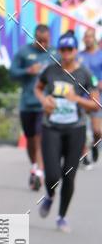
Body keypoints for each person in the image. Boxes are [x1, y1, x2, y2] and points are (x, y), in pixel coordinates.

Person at [34, 30, 98, 232]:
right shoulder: (50, 70)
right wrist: (44, 100)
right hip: (51, 127)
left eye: (70, 48)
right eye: (63, 49)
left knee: (69, 176)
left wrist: (77, 99)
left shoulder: (85, 74)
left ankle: (62, 217)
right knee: (52, 175)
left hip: (75, 130)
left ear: (75, 50)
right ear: (59, 50)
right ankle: (50, 196)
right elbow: (38, 88)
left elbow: (95, 104)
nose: (67, 52)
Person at [9, 24, 55, 190]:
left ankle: (39, 172)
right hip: (27, 103)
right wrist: (28, 70)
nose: (43, 44)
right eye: (40, 41)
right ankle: (35, 166)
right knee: (30, 139)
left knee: (39, 137)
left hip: (45, 104)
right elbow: (12, 73)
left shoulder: (54, 53)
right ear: (35, 38)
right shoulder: (24, 52)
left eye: (46, 41)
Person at [78, 28, 102, 166]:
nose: (88, 39)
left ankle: (95, 145)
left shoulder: (100, 55)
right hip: (81, 95)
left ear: (94, 38)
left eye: (90, 37)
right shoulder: (78, 56)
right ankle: (84, 155)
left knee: (98, 131)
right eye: (85, 37)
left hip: (97, 96)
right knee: (80, 128)